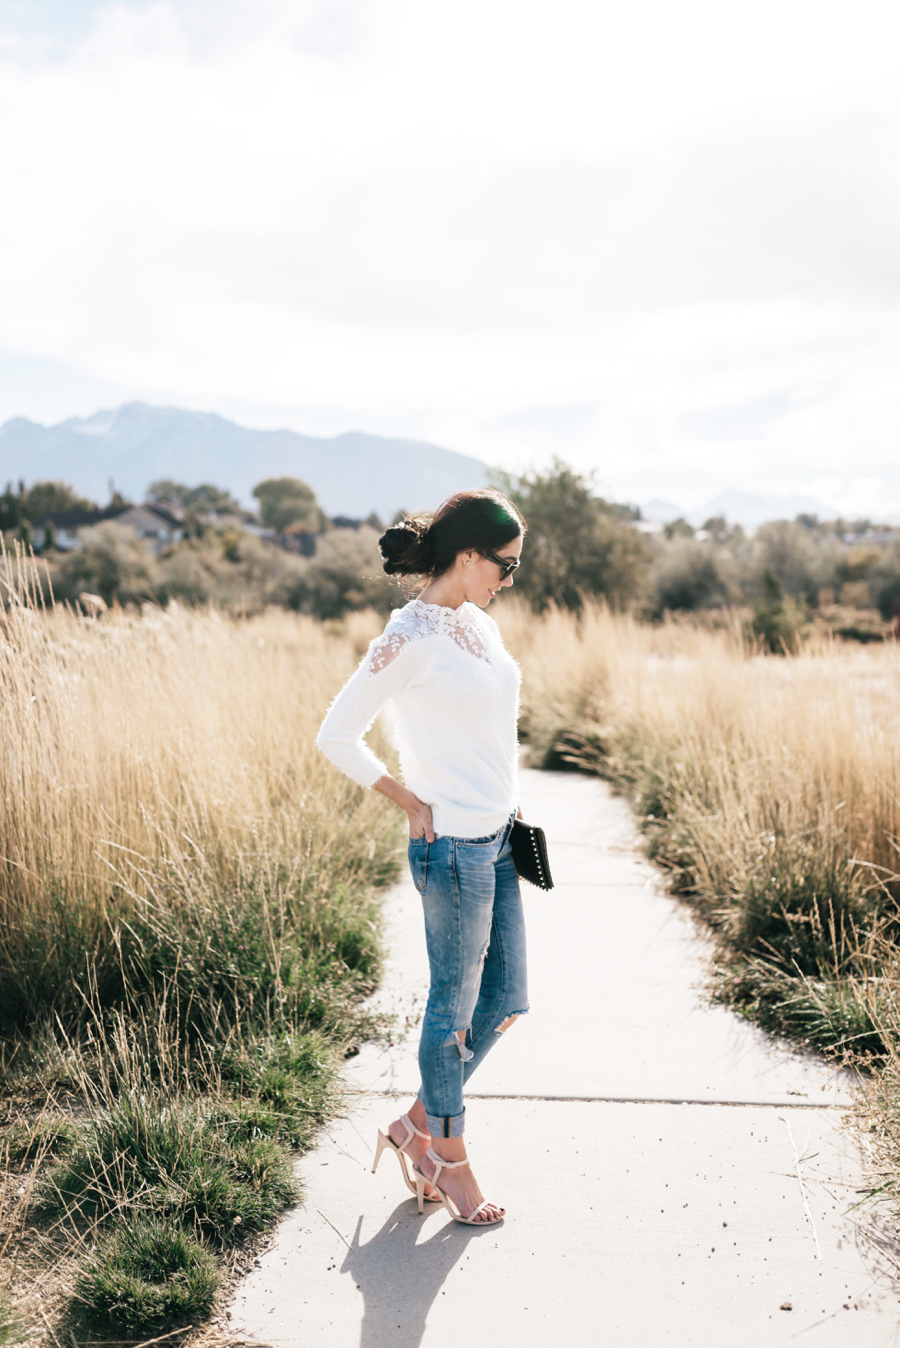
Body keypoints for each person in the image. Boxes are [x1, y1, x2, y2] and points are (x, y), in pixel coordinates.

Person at [316, 489, 528, 1226]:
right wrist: (408, 801)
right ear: (467, 556)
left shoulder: (480, 629)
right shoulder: (407, 638)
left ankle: (414, 1125)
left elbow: (493, 728)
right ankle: (450, 1158)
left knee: (505, 1002)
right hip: (452, 853)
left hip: (498, 838)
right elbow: (336, 734)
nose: (509, 578)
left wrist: (512, 800)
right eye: (504, 564)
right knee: (452, 1015)